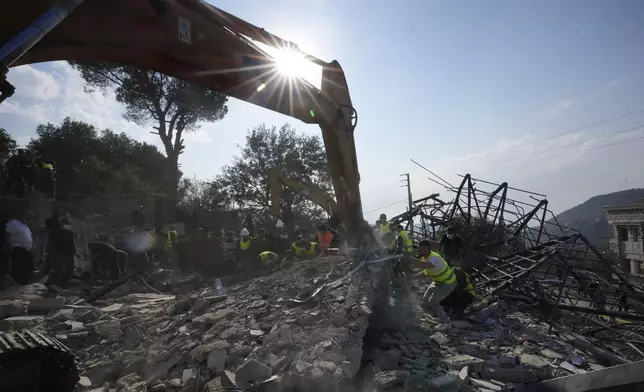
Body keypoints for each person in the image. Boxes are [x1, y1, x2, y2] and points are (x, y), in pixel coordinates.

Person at [408, 240, 457, 331]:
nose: (418, 250)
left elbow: (423, 265)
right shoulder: (425, 257)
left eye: (421, 248)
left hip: (447, 283)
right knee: (426, 299)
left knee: (433, 301)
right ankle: (439, 315)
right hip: (438, 282)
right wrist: (411, 277)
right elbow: (425, 274)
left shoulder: (433, 258)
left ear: (427, 249)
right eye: (418, 248)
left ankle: (446, 322)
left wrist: (409, 258)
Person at [5, 211, 34, 285]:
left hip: (25, 250)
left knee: (28, 267)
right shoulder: (13, 223)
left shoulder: (25, 226)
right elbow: (7, 235)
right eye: (28, 215)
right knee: (19, 268)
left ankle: (22, 283)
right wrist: (9, 247)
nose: (30, 217)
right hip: (17, 248)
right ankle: (16, 283)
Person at [48, 217, 77, 287]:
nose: (68, 225)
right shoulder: (56, 233)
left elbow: (72, 243)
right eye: (67, 223)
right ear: (62, 224)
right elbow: (52, 244)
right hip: (61, 254)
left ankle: (64, 285)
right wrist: (55, 253)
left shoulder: (70, 233)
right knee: (59, 270)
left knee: (69, 270)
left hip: (70, 254)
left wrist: (75, 251)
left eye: (69, 223)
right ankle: (56, 285)